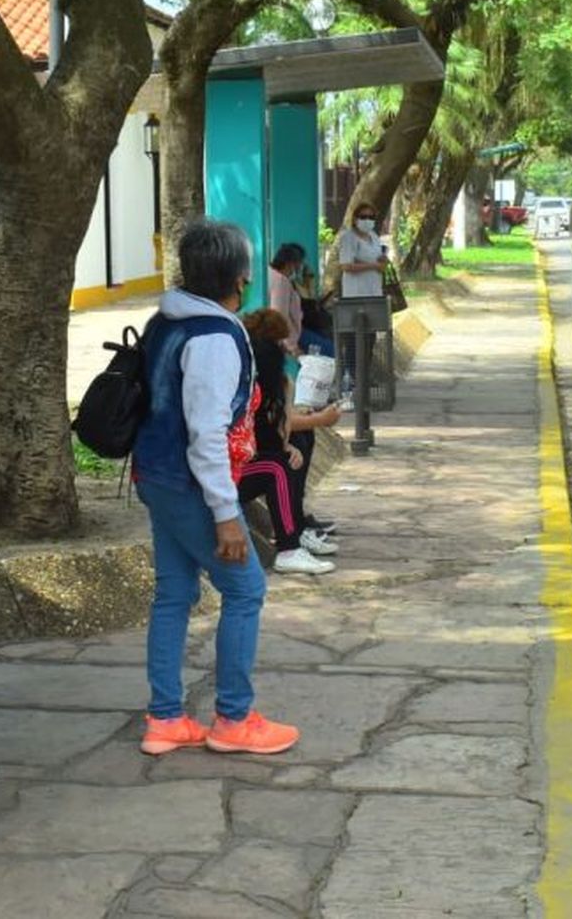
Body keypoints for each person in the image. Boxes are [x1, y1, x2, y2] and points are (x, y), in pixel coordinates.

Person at [133, 219, 300, 758]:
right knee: (246, 589)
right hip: (191, 484)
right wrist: (227, 516)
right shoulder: (215, 338)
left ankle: (165, 719)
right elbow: (206, 433)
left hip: (156, 476)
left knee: (175, 594)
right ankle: (233, 718)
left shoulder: (167, 320)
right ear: (240, 277)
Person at [239, 309, 339, 575]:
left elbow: (274, 428)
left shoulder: (265, 384)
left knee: (294, 448)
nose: (284, 351)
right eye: (279, 345)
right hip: (221, 472)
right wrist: (317, 419)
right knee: (277, 468)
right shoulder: (249, 386)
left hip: (236, 462)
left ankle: (296, 528)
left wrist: (286, 443)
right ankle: (289, 546)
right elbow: (265, 428)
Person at [336, 203, 388, 396]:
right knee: (353, 338)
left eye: (371, 217)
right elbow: (346, 265)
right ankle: (350, 377)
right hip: (355, 295)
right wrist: (372, 265)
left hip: (374, 292)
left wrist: (380, 262)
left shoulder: (374, 237)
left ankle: (364, 376)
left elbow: (378, 259)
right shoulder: (348, 238)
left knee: (370, 337)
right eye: (364, 216)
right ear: (356, 218)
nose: (368, 220)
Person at [269, 242, 335, 358]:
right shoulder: (281, 281)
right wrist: (292, 347)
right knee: (331, 350)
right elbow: (280, 315)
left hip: (291, 332)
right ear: (291, 264)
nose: (300, 267)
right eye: (299, 264)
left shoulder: (273, 275)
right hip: (291, 336)